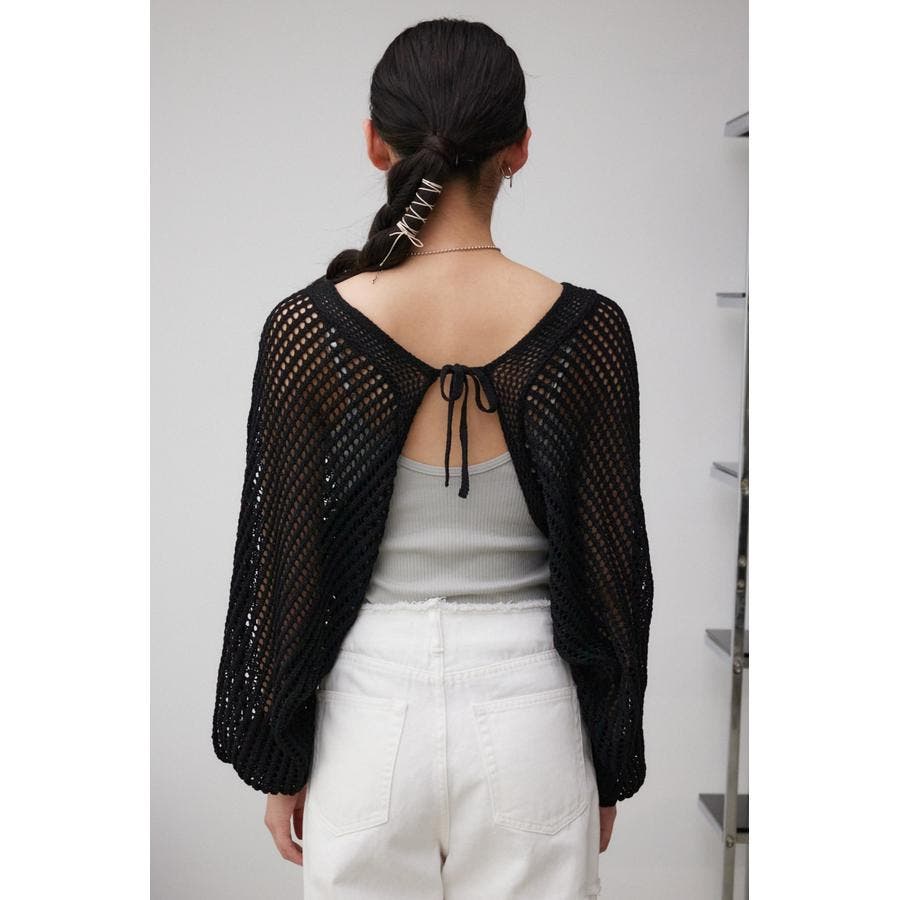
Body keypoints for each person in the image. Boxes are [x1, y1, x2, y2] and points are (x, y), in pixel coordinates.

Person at [212, 17, 653, 900]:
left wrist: (282, 759)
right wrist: (604, 761)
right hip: (534, 720)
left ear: (376, 143)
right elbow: (615, 578)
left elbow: (282, 572)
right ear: (519, 148)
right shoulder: (588, 333)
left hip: (367, 721)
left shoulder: (309, 331)